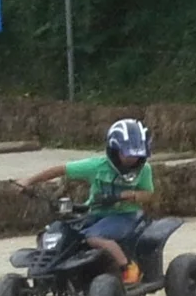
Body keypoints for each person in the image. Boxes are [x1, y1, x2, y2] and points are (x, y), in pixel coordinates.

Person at [15, 118, 156, 286]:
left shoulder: (144, 170)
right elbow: (61, 170)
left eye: (137, 154)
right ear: (114, 149)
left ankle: (127, 268)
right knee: (60, 231)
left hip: (125, 215)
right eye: (127, 153)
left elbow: (148, 194)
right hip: (95, 212)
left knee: (93, 237)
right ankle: (57, 272)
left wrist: (129, 195)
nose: (132, 159)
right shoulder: (97, 166)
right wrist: (29, 181)